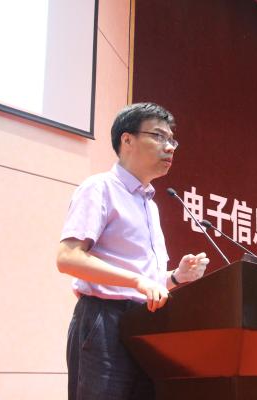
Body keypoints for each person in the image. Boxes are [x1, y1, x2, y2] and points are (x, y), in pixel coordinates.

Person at [56, 102, 209, 399]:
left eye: (172, 140)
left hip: (146, 323)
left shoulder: (150, 205)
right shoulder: (100, 188)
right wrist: (138, 281)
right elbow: (68, 257)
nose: (170, 147)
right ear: (127, 140)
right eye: (159, 136)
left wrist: (175, 278)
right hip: (104, 321)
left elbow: (143, 281)